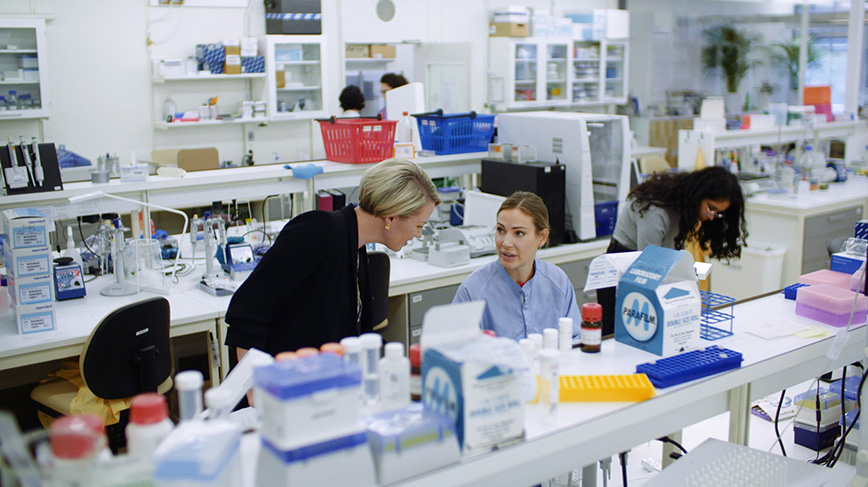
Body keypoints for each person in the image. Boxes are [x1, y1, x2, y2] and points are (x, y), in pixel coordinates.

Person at [225, 158, 441, 359]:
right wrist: (254, 390)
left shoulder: (356, 246)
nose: (419, 234)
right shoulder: (317, 231)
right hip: (278, 381)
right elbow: (247, 314)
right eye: (419, 225)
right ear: (392, 216)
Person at [597, 166, 748, 335]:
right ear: (698, 196)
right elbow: (648, 267)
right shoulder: (656, 211)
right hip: (623, 270)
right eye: (710, 208)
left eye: (718, 213)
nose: (711, 216)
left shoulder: (684, 209)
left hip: (650, 270)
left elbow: (668, 258)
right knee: (617, 338)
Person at [452, 191, 580, 340]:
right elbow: (458, 353)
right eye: (500, 230)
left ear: (542, 237)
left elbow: (575, 340)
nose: (506, 243)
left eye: (519, 233)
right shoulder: (473, 290)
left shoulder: (558, 282)